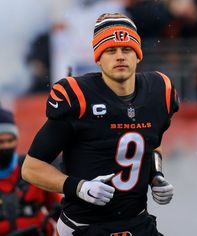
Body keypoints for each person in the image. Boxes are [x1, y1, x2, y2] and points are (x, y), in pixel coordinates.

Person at [21, 13, 180, 236]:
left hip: (137, 222)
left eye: (126, 49)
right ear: (98, 57)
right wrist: (79, 187)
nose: (120, 57)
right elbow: (31, 168)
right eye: (110, 50)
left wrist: (156, 175)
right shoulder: (79, 98)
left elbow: (152, 142)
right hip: (84, 226)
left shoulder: (158, 92)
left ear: (138, 55)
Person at [0, 107, 62, 236]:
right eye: (1, 142)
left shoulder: (32, 170)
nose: (6, 146)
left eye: (10, 140)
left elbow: (57, 207)